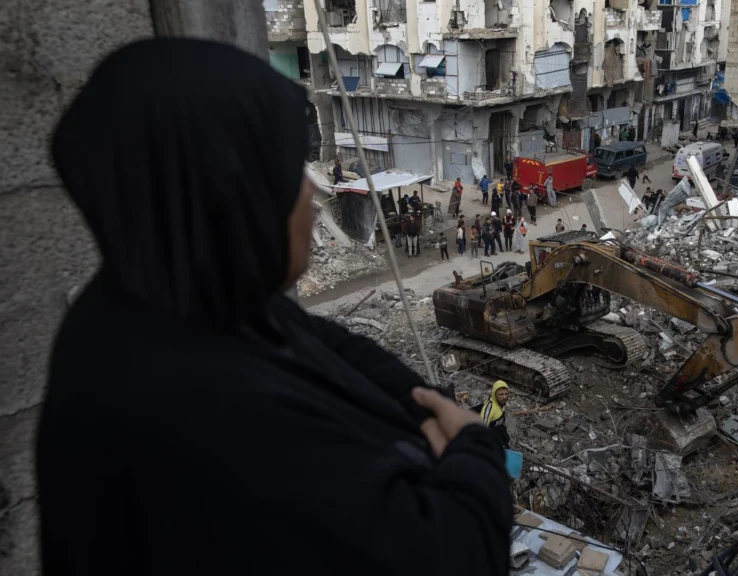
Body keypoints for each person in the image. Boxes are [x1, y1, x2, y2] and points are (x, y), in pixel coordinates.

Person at [38, 38, 511, 576]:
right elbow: (453, 555)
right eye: (289, 173)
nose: (312, 196)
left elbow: (327, 345)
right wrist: (475, 452)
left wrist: (418, 401)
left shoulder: (176, 304)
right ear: (232, 195)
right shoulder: (198, 411)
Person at [472, 381, 511, 449]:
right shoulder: (490, 409)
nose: (504, 397)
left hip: (501, 435)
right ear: (494, 394)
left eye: (506, 394)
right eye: (501, 394)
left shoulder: (500, 402)